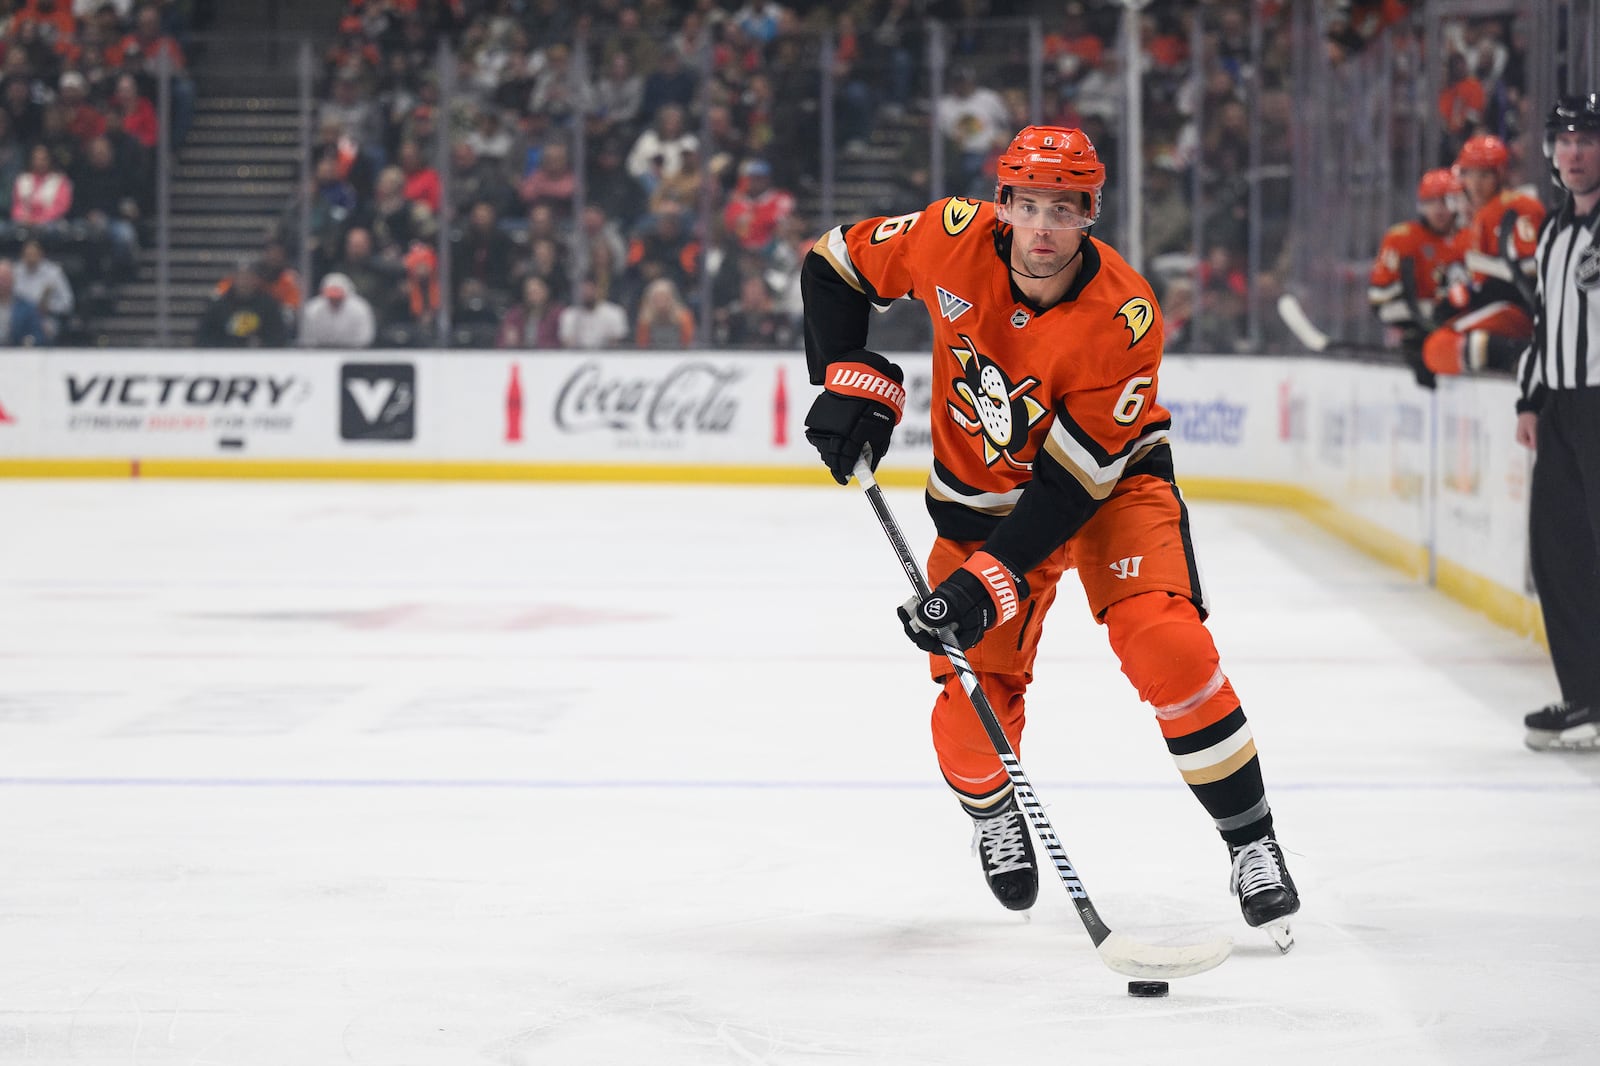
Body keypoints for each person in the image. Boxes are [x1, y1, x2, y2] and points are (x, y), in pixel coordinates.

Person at [799, 125, 1300, 942]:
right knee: (968, 706)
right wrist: (847, 373)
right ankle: (996, 810)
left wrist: (984, 583)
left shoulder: (1126, 317)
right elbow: (832, 261)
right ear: (999, 204)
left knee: (1167, 644)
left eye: (1061, 211)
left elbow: (1073, 485)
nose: (1040, 229)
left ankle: (1253, 844)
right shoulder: (948, 238)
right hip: (980, 502)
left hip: (1109, 493)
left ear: (1090, 215)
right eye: (1026, 205)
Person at [1515, 95, 1600, 752]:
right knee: (1559, 555)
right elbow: (1544, 325)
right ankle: (1586, 697)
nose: (1574, 151)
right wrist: (1528, 400)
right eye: (1564, 139)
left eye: (1588, 138)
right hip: (1562, 409)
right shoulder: (1551, 231)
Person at [1421, 134, 1544, 378]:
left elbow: (1530, 273)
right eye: (1470, 174)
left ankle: (1521, 356)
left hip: (1522, 308)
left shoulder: (1518, 205)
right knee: (1437, 344)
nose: (1475, 184)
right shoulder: (1483, 216)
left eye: (1484, 175)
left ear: (1500, 175)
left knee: (1440, 345)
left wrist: (1469, 295)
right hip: (1504, 305)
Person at [1368, 168, 1463, 387]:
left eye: (1445, 201)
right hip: (1417, 316)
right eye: (1431, 201)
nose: (1439, 209)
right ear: (1421, 205)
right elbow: (1379, 300)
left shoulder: (1468, 236)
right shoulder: (1402, 238)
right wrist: (1421, 320)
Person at [300, 271, 375, 348]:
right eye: (331, 297)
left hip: (353, 352)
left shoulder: (360, 309)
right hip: (320, 353)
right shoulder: (313, 310)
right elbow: (308, 340)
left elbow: (364, 339)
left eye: (338, 297)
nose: (334, 300)